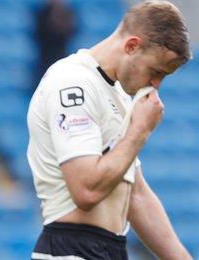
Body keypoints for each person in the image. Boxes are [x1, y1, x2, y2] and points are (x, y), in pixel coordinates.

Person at [27, 1, 191, 259]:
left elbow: (135, 195)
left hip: (110, 248)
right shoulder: (73, 83)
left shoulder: (118, 93)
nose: (155, 85)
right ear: (131, 46)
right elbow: (86, 190)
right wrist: (139, 131)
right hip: (71, 248)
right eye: (156, 71)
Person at [33, 0, 76, 92]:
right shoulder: (41, 13)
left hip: (62, 60)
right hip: (44, 63)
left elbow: (70, 33)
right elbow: (41, 34)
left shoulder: (69, 12)